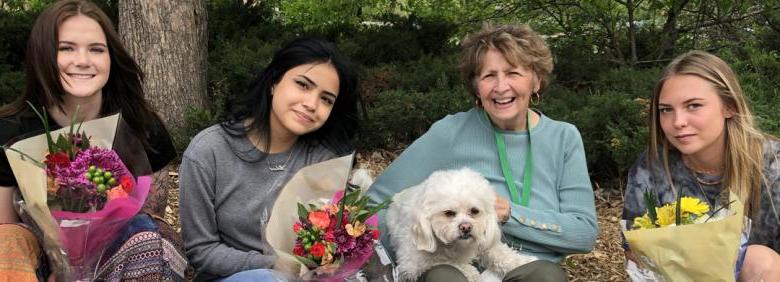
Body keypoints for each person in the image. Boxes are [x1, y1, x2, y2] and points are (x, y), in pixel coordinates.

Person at [367, 23, 598, 282]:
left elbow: (583, 233)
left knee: (546, 277)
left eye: (512, 73)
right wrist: (407, 246)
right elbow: (374, 203)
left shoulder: (563, 138)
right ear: (476, 86)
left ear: (536, 79)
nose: (501, 87)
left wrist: (509, 215)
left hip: (530, 270)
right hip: (461, 269)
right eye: (489, 76)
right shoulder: (450, 132)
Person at [0, 0, 186, 280]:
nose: (83, 61)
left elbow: (146, 219)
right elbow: (6, 227)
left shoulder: (141, 127)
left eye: (96, 49)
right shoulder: (10, 130)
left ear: (111, 57)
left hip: (118, 262)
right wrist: (57, 268)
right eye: (66, 48)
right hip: (37, 265)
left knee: (149, 234)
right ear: (42, 55)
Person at [178, 37, 360, 281]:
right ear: (274, 82)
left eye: (326, 99)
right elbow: (202, 251)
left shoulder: (323, 162)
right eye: (303, 85)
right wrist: (277, 266)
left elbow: (332, 246)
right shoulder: (209, 151)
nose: (311, 104)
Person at [622, 50, 780, 281]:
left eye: (693, 106)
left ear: (729, 106)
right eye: (666, 110)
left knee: (756, 260)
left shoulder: (773, 165)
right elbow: (634, 251)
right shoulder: (652, 166)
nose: (678, 122)